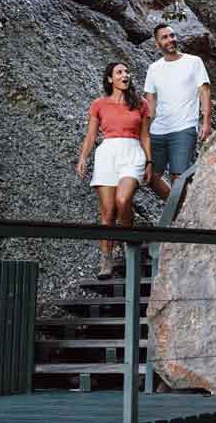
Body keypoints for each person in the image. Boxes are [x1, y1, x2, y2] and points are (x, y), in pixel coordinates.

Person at [75, 62, 153, 278]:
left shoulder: (140, 103)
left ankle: (130, 249)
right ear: (110, 79)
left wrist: (149, 162)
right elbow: (91, 135)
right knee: (108, 212)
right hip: (107, 153)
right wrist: (83, 157)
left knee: (122, 200)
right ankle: (106, 258)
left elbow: (145, 135)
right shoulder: (99, 104)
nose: (125, 75)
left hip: (132, 152)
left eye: (127, 72)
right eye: (119, 72)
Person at [144, 23, 211, 203]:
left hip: (184, 128)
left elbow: (204, 91)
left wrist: (206, 122)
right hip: (158, 131)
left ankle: (181, 219)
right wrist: (145, 131)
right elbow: (150, 102)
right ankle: (179, 213)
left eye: (172, 35)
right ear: (157, 43)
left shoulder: (193, 62)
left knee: (178, 179)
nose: (170, 40)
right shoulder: (153, 69)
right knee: (151, 176)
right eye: (165, 37)